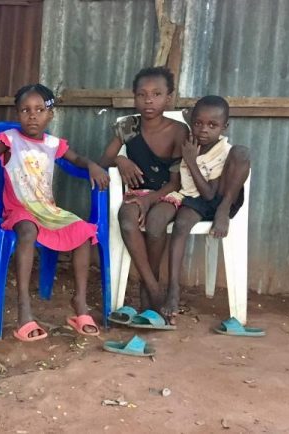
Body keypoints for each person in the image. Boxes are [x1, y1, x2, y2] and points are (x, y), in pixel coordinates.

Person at [0, 84, 109, 341]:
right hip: (19, 209)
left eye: (39, 110)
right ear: (17, 113)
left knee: (83, 230)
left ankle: (79, 302)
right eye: (25, 110)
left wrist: (92, 166)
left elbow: (77, 160)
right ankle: (24, 307)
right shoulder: (10, 139)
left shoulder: (53, 144)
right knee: (27, 230)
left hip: (47, 210)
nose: (32, 116)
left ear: (50, 115)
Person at [98, 66, 187, 314]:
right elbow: (103, 161)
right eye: (142, 94)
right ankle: (153, 289)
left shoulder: (178, 131)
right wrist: (120, 159)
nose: (149, 100)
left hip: (168, 193)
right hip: (138, 194)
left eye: (157, 94)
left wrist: (150, 201)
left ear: (168, 97)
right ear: (134, 97)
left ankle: (149, 291)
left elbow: (176, 181)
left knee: (156, 223)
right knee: (127, 221)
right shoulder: (128, 126)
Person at [160, 96, 250, 323]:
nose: (203, 129)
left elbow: (210, 194)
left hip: (221, 196)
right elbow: (184, 116)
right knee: (181, 225)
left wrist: (191, 161)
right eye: (198, 123)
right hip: (195, 199)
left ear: (224, 126)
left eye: (212, 125)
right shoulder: (189, 142)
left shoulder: (222, 151)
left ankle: (223, 211)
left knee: (242, 152)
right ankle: (173, 289)